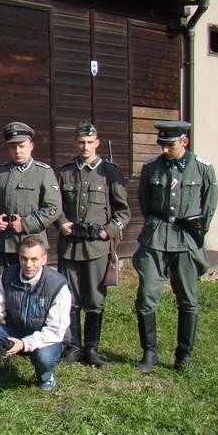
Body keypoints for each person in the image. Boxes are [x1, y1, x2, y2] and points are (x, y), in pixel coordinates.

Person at [133, 120, 218, 373]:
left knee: (188, 300)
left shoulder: (203, 169)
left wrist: (197, 232)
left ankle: (184, 356)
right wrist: (155, 224)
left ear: (184, 142)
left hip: (186, 239)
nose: (164, 150)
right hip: (156, 238)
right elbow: (145, 202)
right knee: (146, 297)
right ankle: (149, 354)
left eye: (169, 145)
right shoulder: (151, 168)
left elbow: (209, 206)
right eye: (162, 145)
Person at [55, 120, 131, 368]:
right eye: (81, 142)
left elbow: (123, 213)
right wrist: (61, 224)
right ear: (75, 143)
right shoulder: (65, 172)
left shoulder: (109, 172)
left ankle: (92, 349)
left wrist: (108, 232)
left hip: (97, 247)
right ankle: (73, 347)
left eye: (89, 142)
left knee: (95, 300)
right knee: (71, 299)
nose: (85, 146)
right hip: (70, 247)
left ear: (97, 143)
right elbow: (55, 208)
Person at [0, 236, 72, 391]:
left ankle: (45, 378)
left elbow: (54, 331)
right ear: (19, 257)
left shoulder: (58, 286)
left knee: (44, 357)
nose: (28, 265)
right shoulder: (8, 275)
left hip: (47, 338)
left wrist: (25, 344)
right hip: (15, 330)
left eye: (34, 259)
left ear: (44, 259)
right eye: (24, 259)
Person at [0, 121, 62, 275]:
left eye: (21, 146)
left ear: (31, 145)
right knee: (7, 292)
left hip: (32, 247)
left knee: (33, 291)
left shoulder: (43, 172)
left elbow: (53, 208)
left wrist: (25, 224)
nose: (17, 151)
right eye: (12, 146)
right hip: (4, 245)